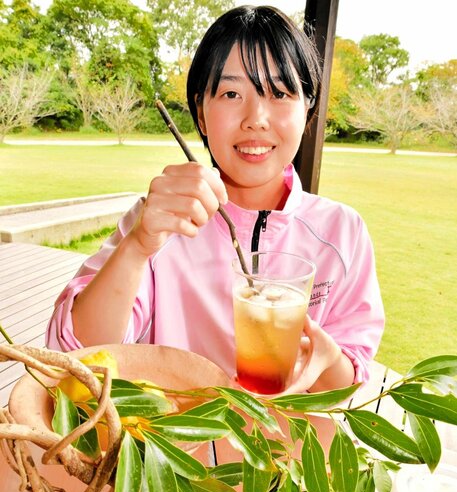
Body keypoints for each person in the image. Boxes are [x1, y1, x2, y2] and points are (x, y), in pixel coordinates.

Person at [46, 5, 384, 394]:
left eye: (279, 92)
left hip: (294, 452)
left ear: (307, 107)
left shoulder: (342, 233)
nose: (256, 117)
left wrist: (326, 360)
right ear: (202, 115)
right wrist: (138, 246)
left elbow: (349, 383)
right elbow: (76, 352)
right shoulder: (158, 222)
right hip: (178, 449)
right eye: (231, 92)